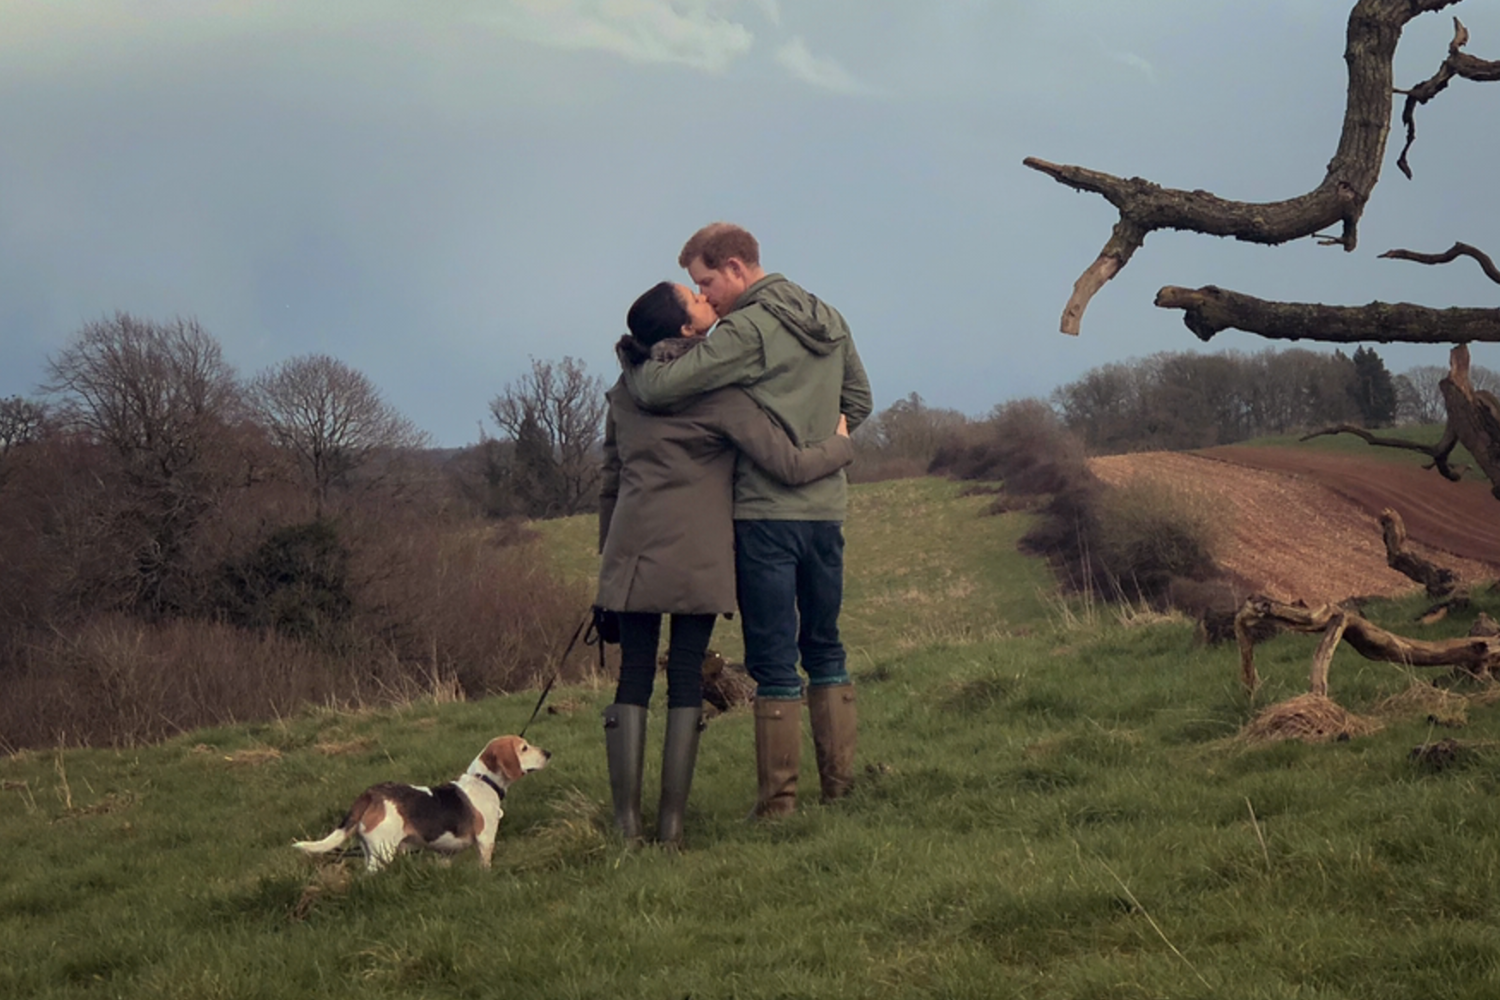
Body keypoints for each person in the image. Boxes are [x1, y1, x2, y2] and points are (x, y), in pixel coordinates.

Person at [622, 223, 872, 818]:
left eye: (706, 281)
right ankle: (840, 791)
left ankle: (778, 805)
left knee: (773, 655)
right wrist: (826, 446)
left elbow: (663, 388)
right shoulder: (828, 316)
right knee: (827, 646)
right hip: (826, 510)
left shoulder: (747, 329)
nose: (706, 296)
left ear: (735, 267)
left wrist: (632, 364)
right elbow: (859, 401)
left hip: (765, 511)